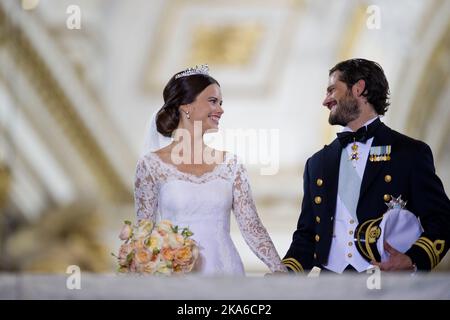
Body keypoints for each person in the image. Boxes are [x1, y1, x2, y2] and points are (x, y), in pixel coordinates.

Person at [283, 58, 450, 274]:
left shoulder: (409, 153)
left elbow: (442, 219)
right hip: (330, 287)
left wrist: (413, 258)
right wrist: (284, 272)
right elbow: (307, 235)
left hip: (387, 285)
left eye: (332, 90)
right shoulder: (317, 163)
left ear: (359, 88)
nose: (325, 101)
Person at [134, 65, 287, 275]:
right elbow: (144, 233)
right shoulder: (151, 165)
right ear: (186, 106)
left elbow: (251, 226)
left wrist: (279, 269)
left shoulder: (231, 165)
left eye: (221, 103)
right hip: (178, 278)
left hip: (227, 271)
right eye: (213, 101)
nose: (221, 109)